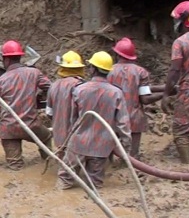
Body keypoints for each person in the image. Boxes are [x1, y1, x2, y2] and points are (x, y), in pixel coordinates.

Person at [57, 52, 131, 190]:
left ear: (93, 68)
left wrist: (66, 142)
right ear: (108, 71)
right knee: (95, 185)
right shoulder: (116, 93)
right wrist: (125, 147)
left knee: (64, 180)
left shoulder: (79, 90)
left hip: (78, 144)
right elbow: (123, 124)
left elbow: (73, 119)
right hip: (101, 147)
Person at [0, 40, 52, 170]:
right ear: (20, 56)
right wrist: (39, 96)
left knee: (15, 167)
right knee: (46, 137)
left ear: (5, 60)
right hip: (31, 125)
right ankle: (48, 162)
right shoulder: (34, 73)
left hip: (8, 129)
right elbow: (51, 88)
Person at [107, 38, 163, 160]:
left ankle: (110, 166)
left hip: (112, 117)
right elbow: (145, 99)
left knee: (108, 150)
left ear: (117, 54)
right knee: (133, 155)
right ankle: (131, 165)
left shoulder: (108, 71)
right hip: (134, 118)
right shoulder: (140, 72)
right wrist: (164, 94)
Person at [162, 1, 189, 163]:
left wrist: (166, 93)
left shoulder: (181, 42)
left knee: (181, 130)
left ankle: (186, 165)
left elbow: (175, 70)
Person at [46, 51, 86, 155]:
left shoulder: (53, 86)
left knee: (63, 161)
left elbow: (49, 113)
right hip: (77, 137)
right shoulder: (82, 87)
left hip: (59, 137)